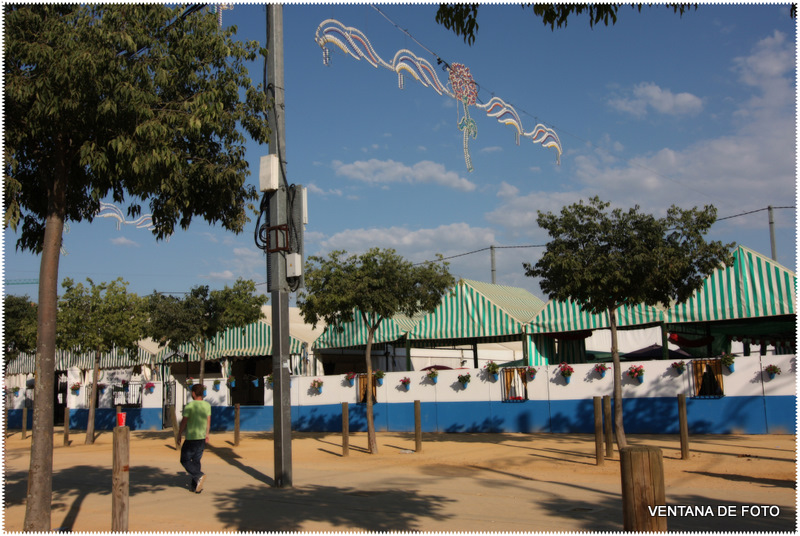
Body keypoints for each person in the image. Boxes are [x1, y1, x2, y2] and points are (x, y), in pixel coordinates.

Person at [178, 383, 211, 493]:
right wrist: (207, 434)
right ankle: (195, 486)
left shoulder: (190, 406)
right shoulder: (207, 405)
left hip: (191, 438)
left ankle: (198, 475)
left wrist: (179, 433)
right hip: (201, 438)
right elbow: (208, 421)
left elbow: (184, 421)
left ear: (193, 393)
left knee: (185, 459)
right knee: (196, 461)